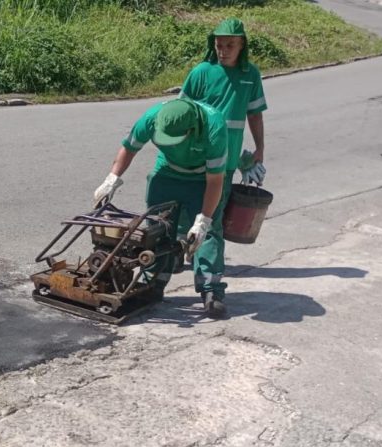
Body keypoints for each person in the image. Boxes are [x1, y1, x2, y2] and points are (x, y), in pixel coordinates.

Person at [93, 98, 228, 317]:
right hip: (166, 173)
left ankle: (210, 290)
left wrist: (203, 220)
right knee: (157, 229)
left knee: (208, 234)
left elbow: (215, 181)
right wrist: (111, 179)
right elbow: (129, 148)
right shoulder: (152, 117)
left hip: (201, 178)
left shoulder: (214, 127)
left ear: (192, 130)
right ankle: (152, 285)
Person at [178, 17, 269, 315]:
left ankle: (210, 288)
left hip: (225, 164)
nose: (223, 49)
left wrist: (257, 151)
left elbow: (254, 115)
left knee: (212, 224)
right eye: (219, 44)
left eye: (230, 44)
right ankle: (154, 280)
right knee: (176, 219)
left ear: (242, 45)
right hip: (192, 161)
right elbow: (180, 115)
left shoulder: (250, 76)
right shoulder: (201, 73)